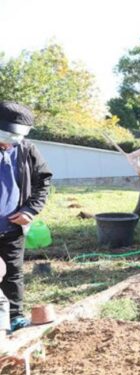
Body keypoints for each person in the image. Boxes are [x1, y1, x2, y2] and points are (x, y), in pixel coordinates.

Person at [0, 101, 53, 331]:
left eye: (17, 137)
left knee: (13, 272)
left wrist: (30, 211)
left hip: (13, 227)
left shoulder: (27, 149)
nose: (12, 142)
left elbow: (44, 181)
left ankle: (14, 316)